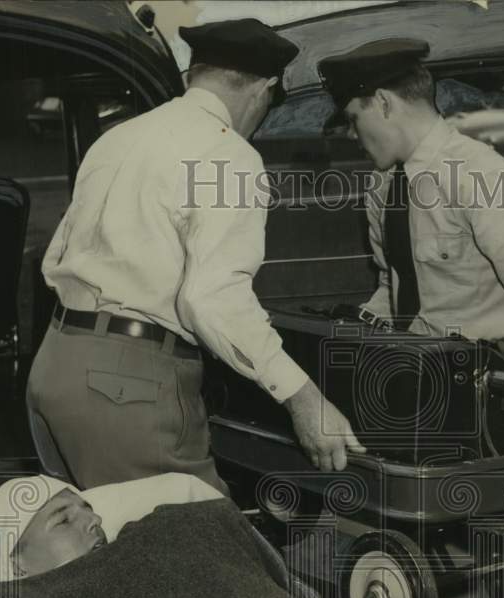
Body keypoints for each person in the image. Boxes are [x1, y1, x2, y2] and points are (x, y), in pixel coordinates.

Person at [27, 19, 364, 492]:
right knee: (203, 553)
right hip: (127, 390)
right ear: (264, 89)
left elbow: (60, 249)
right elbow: (211, 300)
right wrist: (302, 397)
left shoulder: (119, 137)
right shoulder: (230, 156)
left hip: (56, 365)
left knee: (90, 549)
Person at [318, 40, 504, 386]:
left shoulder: (480, 175)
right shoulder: (382, 187)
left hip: (486, 383)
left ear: (383, 102)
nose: (352, 134)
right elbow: (395, 281)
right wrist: (360, 327)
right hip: (415, 378)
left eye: (353, 119)